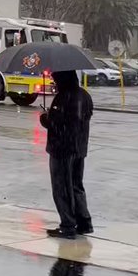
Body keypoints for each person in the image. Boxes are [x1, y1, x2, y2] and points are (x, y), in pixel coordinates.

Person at [38, 70, 93, 239]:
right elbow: (83, 117)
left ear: (62, 78)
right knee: (76, 185)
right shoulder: (84, 95)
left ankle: (67, 225)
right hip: (79, 148)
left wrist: (45, 118)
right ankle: (84, 223)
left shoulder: (64, 96)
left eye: (55, 78)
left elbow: (58, 122)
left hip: (62, 149)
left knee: (62, 187)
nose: (54, 81)